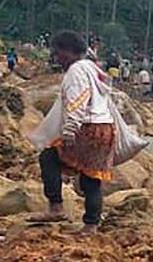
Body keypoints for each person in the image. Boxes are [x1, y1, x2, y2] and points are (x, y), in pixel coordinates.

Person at [28, 31, 115, 229]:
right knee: (91, 177)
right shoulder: (94, 69)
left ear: (70, 51)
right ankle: (91, 224)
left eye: (59, 54)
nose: (57, 58)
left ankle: (56, 207)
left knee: (49, 157)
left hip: (87, 128)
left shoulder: (76, 70)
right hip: (105, 128)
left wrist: (70, 129)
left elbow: (78, 100)